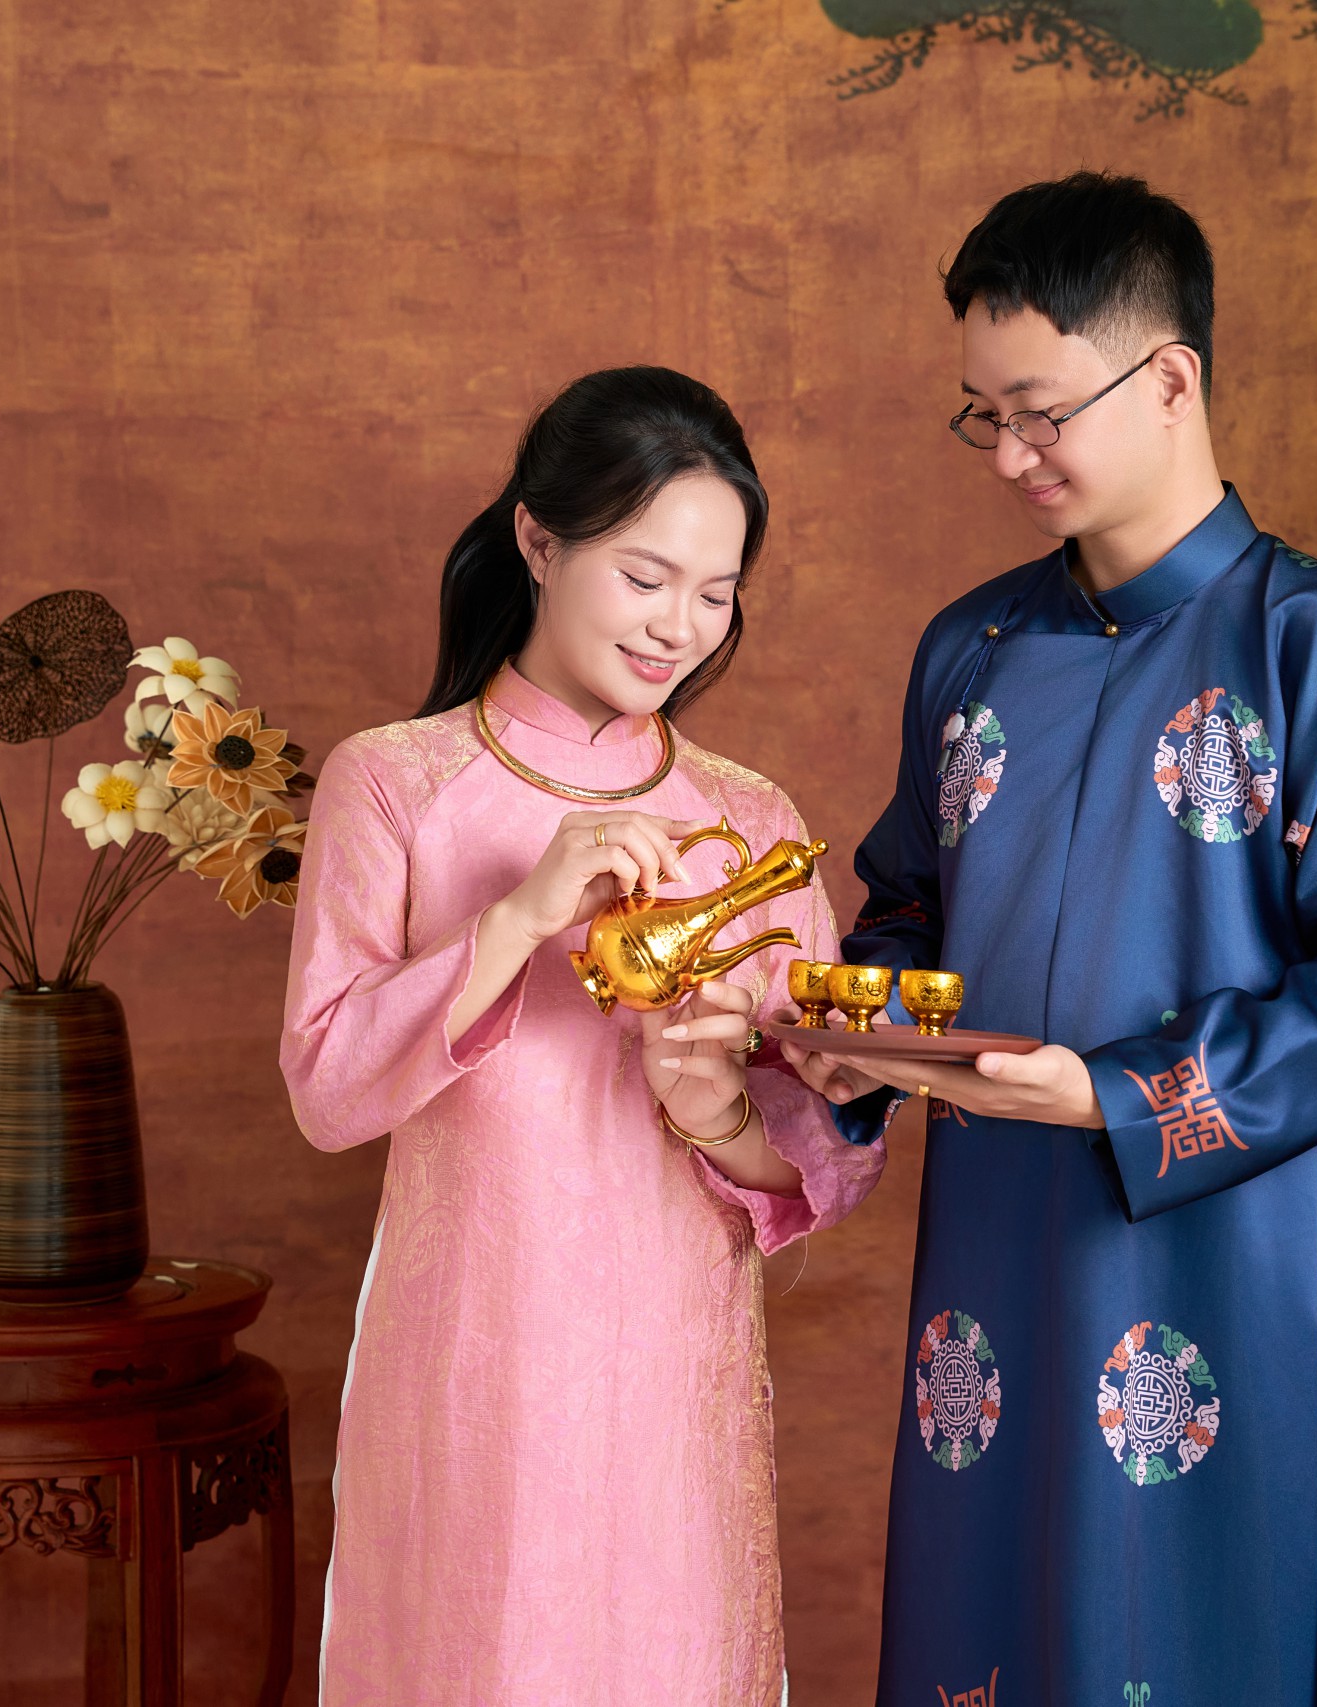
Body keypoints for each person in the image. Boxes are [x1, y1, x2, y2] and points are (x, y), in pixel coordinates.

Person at [786, 173, 1317, 1704]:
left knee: (1219, 1633)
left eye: (1039, 413)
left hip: (1226, 1238)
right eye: (983, 416)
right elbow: (905, 910)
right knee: (994, 1622)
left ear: (1170, 379)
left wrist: (1118, 1094)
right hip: (992, 1246)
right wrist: (849, 1041)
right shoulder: (971, 648)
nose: (1008, 455)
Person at [281, 366, 882, 1705]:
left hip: (676, 1387)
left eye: (716, 594)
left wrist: (717, 1112)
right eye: (645, 576)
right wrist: (515, 918)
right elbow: (327, 1088)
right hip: (469, 1379)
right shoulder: (397, 783)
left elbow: (832, 1151)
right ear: (538, 541)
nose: (679, 628)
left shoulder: (755, 822)